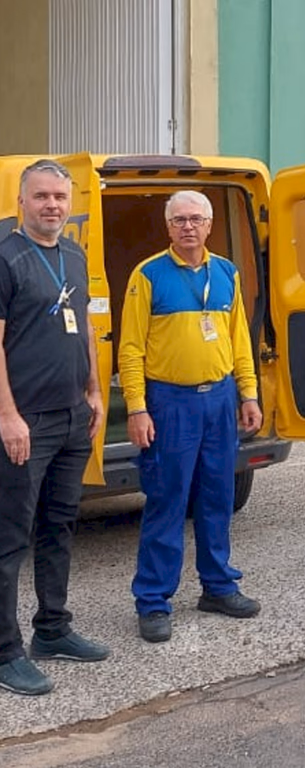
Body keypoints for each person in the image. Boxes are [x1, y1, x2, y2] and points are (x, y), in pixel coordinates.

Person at [119, 190, 263, 643]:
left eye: (196, 219)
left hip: (219, 400)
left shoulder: (226, 274)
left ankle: (218, 586)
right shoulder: (148, 276)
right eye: (179, 220)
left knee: (217, 497)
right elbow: (130, 348)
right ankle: (154, 600)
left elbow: (240, 338)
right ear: (168, 227)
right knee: (167, 500)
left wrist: (249, 393)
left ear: (209, 224)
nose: (187, 227)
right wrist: (138, 408)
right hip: (170, 403)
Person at [0, 159, 110, 696]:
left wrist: (92, 390)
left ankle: (53, 629)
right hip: (25, 422)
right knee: (10, 537)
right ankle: (5, 652)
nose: (52, 206)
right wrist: (7, 416)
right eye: (41, 196)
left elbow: (84, 322)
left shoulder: (74, 252)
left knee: (59, 526)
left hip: (71, 416)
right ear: (22, 201)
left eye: (60, 197)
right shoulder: (6, 257)